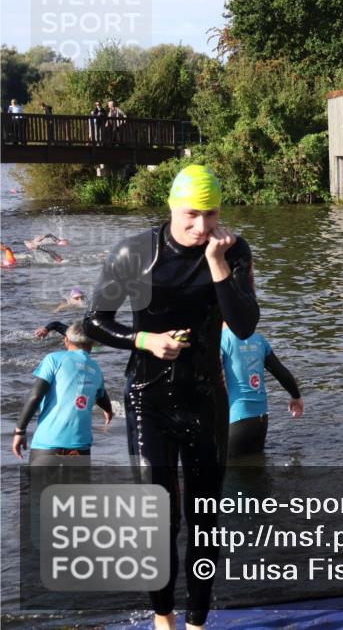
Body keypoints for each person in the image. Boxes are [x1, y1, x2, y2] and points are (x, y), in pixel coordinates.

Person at [84, 164, 258, 630]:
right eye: (191, 215)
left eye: (212, 214)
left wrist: (218, 265)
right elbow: (93, 321)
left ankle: (197, 624)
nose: (202, 227)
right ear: (172, 208)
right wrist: (146, 341)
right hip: (148, 399)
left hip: (205, 399)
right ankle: (164, 620)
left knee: (205, 521)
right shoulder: (135, 252)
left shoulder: (233, 250)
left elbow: (244, 325)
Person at [12, 322, 113, 464]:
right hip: (80, 447)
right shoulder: (96, 369)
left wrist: (20, 430)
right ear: (91, 345)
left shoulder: (53, 359)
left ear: (66, 340)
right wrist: (108, 411)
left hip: (48, 443)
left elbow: (36, 396)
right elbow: (102, 396)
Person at [221, 323, 304, 457]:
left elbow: (209, 376)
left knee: (232, 474)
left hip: (236, 421)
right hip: (261, 421)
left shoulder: (220, 340)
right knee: (257, 473)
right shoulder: (258, 339)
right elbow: (281, 373)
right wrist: (296, 397)